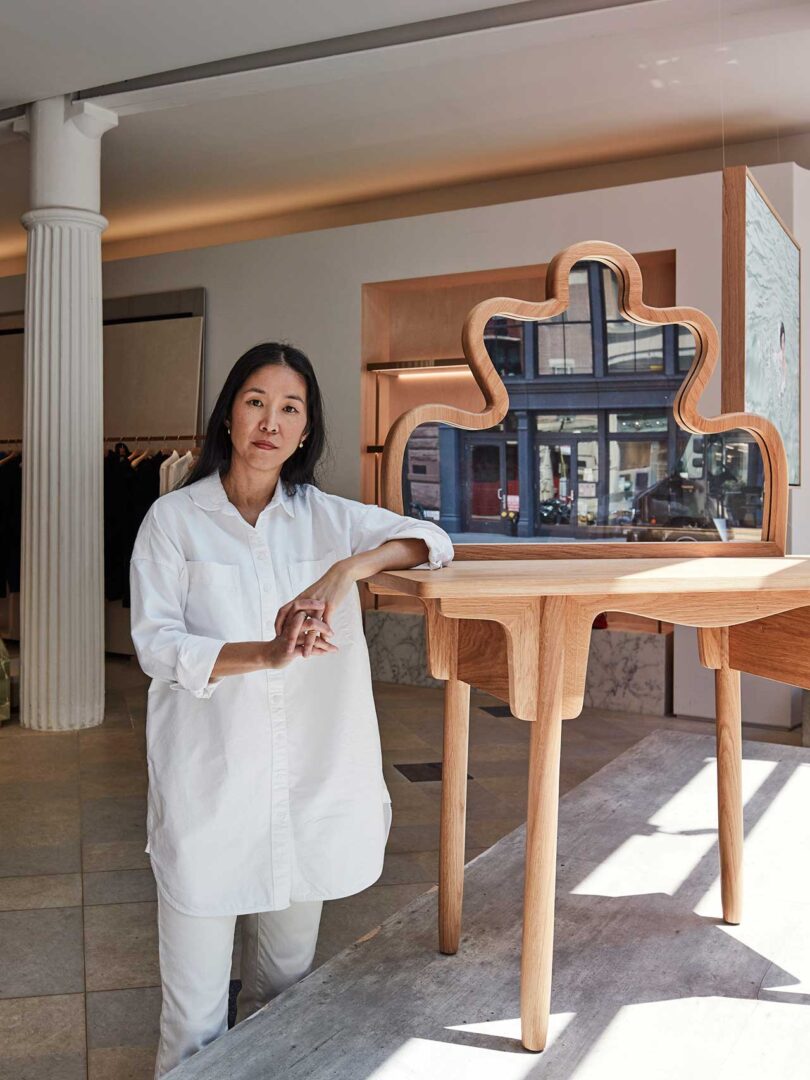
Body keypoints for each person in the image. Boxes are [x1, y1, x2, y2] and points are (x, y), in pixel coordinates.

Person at [129, 342, 453, 1077]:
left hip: (304, 793)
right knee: (194, 1014)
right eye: (254, 401)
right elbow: (156, 644)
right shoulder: (174, 521)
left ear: (305, 430)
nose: (269, 421)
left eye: (289, 408)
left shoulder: (329, 520)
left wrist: (349, 568)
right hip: (210, 791)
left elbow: (433, 541)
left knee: (285, 991)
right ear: (228, 415)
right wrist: (263, 654)